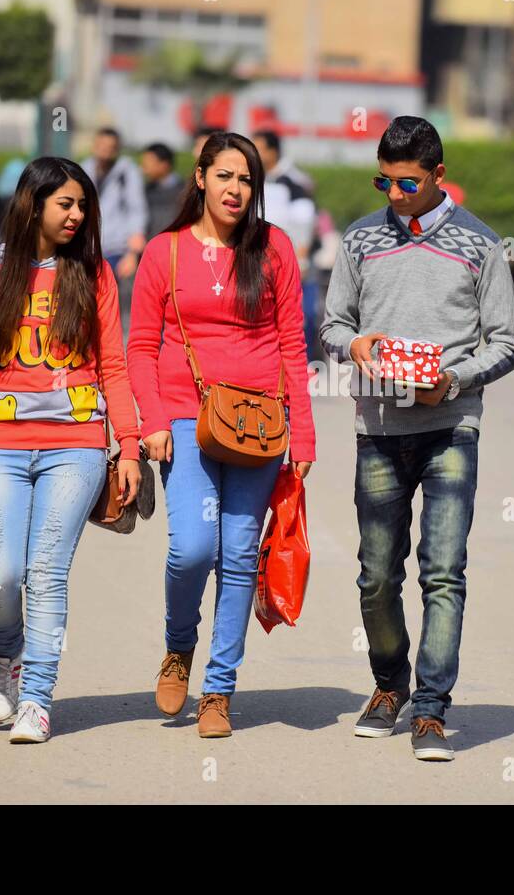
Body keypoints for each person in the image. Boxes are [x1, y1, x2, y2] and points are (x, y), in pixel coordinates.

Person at [320, 115, 514, 762]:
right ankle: (388, 687)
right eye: (383, 179)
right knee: (377, 574)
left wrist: (453, 378)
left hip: (450, 429)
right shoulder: (358, 240)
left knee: (443, 571)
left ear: (439, 175)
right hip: (377, 429)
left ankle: (431, 709)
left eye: (407, 181)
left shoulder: (482, 245)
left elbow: (507, 341)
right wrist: (354, 344)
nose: (393, 193)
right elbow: (331, 324)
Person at [0, 157, 142, 743]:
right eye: (65, 204)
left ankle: (38, 700)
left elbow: (114, 367)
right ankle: (7, 657)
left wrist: (128, 447)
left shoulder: (93, 274)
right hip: (0, 444)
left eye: (82, 206)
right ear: (32, 205)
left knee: (46, 573)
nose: (76, 215)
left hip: (76, 446)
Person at [127, 132, 316, 740]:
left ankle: (219, 690)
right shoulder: (166, 251)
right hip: (186, 418)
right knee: (192, 549)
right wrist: (150, 422)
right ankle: (179, 646)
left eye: (247, 180)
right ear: (201, 177)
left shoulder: (276, 248)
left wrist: (304, 433)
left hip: (260, 425)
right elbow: (139, 347)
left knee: (238, 557)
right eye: (226, 176)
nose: (237, 190)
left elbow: (293, 342)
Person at [253, 130, 321, 359]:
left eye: (259, 148)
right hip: (260, 259)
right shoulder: (255, 177)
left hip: (290, 261)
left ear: (273, 151)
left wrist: (299, 261)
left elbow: (305, 223)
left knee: (297, 316)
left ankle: (305, 363)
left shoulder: (294, 181)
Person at [80, 127, 147, 331]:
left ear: (117, 149)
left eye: (111, 147)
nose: (105, 151)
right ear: (94, 145)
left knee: (115, 306)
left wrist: (133, 253)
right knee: (87, 303)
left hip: (118, 250)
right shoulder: (84, 169)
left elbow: (137, 209)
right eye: (101, 146)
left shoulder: (127, 172)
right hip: (89, 249)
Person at [142, 142, 185, 241]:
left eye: (149, 162)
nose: (144, 167)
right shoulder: (146, 190)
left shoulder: (184, 191)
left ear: (164, 165)